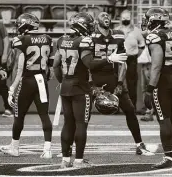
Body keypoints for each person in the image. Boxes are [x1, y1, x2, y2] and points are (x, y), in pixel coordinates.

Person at [53, 12, 118, 169]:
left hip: (66, 86)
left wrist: (62, 81)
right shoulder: (84, 40)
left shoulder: (62, 40)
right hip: (80, 88)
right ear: (83, 26)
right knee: (81, 124)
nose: (91, 28)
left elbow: (55, 65)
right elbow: (89, 63)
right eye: (89, 25)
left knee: (68, 123)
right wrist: (108, 59)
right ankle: (79, 161)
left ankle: (65, 160)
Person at [90, 12, 154, 156]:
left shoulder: (118, 35)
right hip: (95, 79)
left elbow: (123, 63)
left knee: (130, 110)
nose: (106, 17)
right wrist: (91, 85)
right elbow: (86, 64)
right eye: (103, 16)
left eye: (108, 16)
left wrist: (119, 83)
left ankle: (139, 144)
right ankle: (73, 146)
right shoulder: (91, 37)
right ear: (96, 21)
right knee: (83, 114)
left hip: (112, 78)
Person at [0, 13, 53, 159]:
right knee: (44, 115)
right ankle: (47, 149)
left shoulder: (21, 40)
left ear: (26, 24)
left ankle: (15, 147)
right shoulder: (48, 39)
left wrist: (12, 88)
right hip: (41, 80)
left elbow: (19, 68)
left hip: (27, 81)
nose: (18, 27)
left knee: (19, 116)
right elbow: (50, 69)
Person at [144, 7, 172, 169]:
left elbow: (156, 66)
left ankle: (169, 156)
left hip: (164, 81)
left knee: (164, 120)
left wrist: (150, 88)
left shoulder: (155, 36)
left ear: (152, 21)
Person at [115, 10, 145, 110]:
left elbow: (142, 45)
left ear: (131, 19)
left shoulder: (136, 31)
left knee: (132, 83)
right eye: (123, 18)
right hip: (119, 58)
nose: (125, 20)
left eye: (127, 18)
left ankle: (132, 106)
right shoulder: (116, 30)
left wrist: (136, 54)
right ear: (120, 19)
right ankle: (116, 106)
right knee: (118, 82)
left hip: (132, 59)